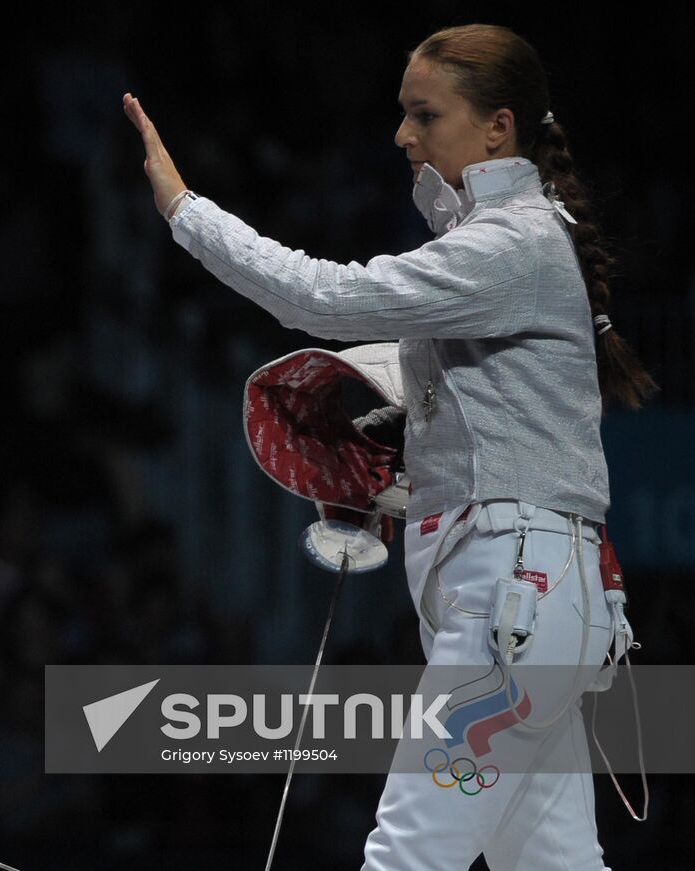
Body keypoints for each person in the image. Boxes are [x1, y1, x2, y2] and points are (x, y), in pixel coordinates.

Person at [124, 24, 653, 871]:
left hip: (515, 601)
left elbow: (327, 298)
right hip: (530, 602)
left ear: (496, 128)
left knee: (406, 858)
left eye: (423, 115)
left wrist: (188, 214)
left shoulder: (508, 243)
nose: (402, 136)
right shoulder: (499, 245)